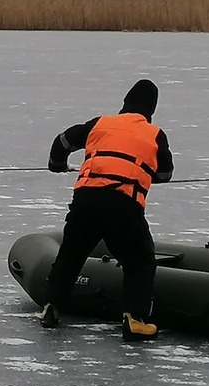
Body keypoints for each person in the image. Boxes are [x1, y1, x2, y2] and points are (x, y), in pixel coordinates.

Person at [39, 78, 174, 340]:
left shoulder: (100, 123)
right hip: (124, 205)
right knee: (140, 262)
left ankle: (51, 306)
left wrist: (57, 164)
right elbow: (166, 173)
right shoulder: (155, 134)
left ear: (124, 104)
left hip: (86, 200)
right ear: (151, 109)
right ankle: (135, 319)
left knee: (71, 254)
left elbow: (63, 140)